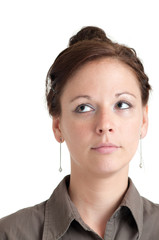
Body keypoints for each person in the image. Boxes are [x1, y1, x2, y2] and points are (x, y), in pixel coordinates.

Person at [0, 26, 159, 240]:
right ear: (58, 125)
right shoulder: (10, 234)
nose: (105, 124)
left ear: (144, 120)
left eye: (121, 104)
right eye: (84, 107)